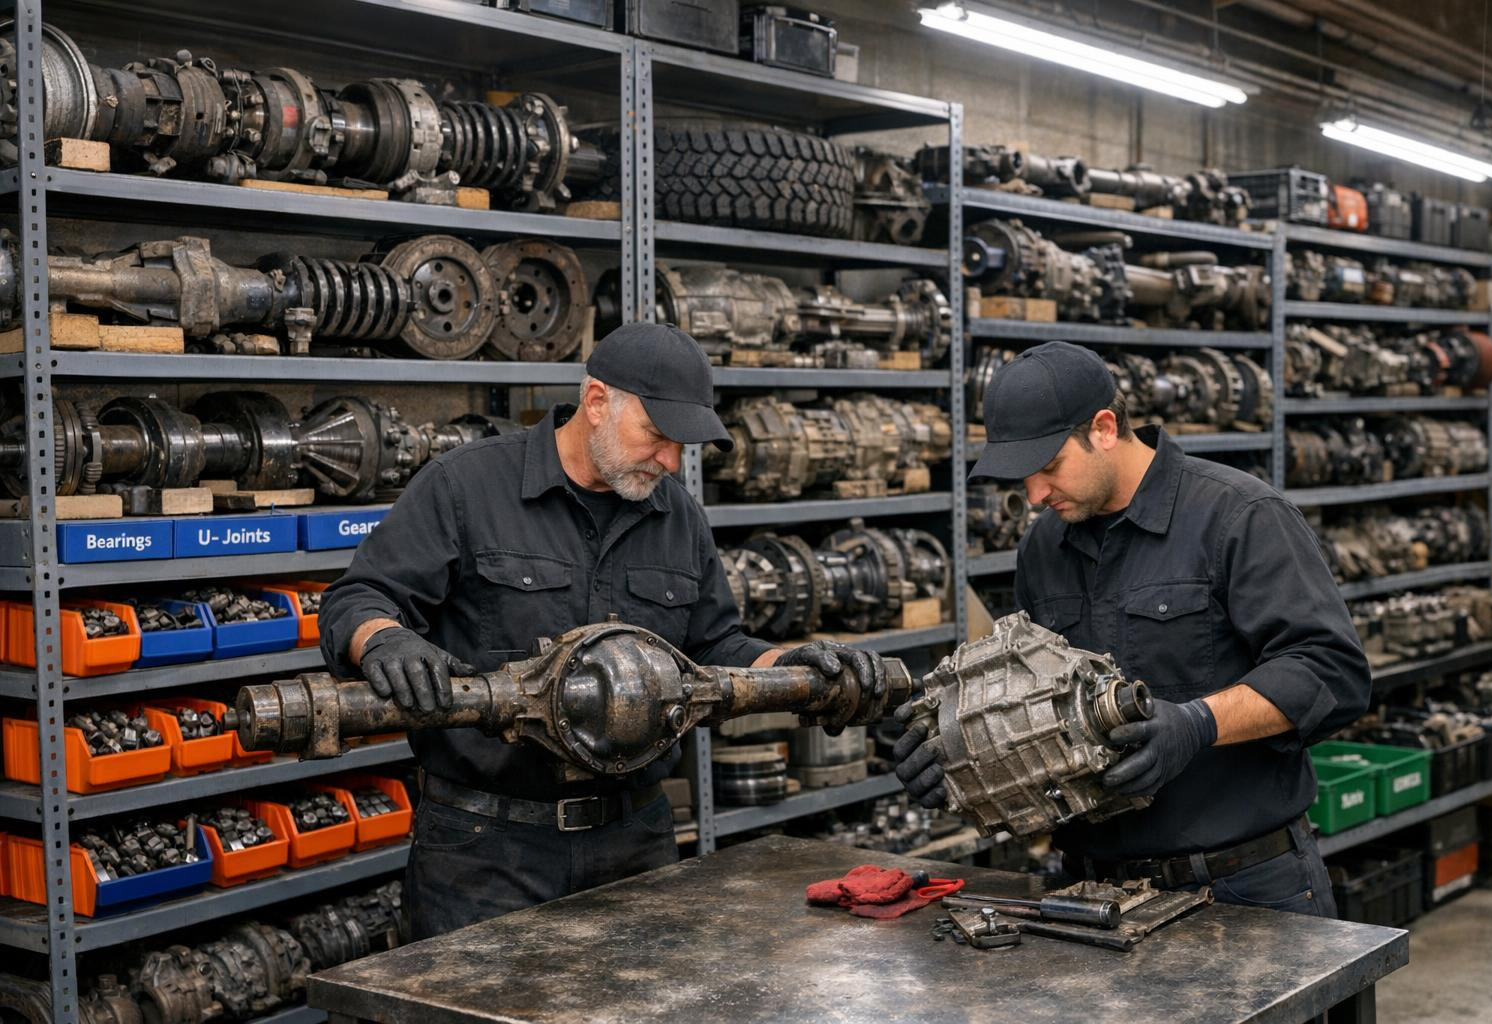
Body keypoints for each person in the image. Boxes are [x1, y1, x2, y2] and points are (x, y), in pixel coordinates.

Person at [320, 322, 881, 939]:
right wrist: (383, 637)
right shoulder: (465, 486)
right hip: (484, 850)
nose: (671, 462)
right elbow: (359, 597)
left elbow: (715, 647)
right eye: (657, 437)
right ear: (595, 402)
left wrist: (798, 668)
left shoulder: (678, 516)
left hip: (633, 838)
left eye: (681, 446)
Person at [895, 341, 1369, 917]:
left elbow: (1332, 673)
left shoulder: (1239, 515)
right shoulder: (1043, 548)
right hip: (1093, 895)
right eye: (1023, 478)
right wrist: (959, 762)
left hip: (1242, 887)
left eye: (1049, 467)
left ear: (1103, 428)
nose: (1035, 496)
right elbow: (1029, 712)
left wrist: (1198, 724)